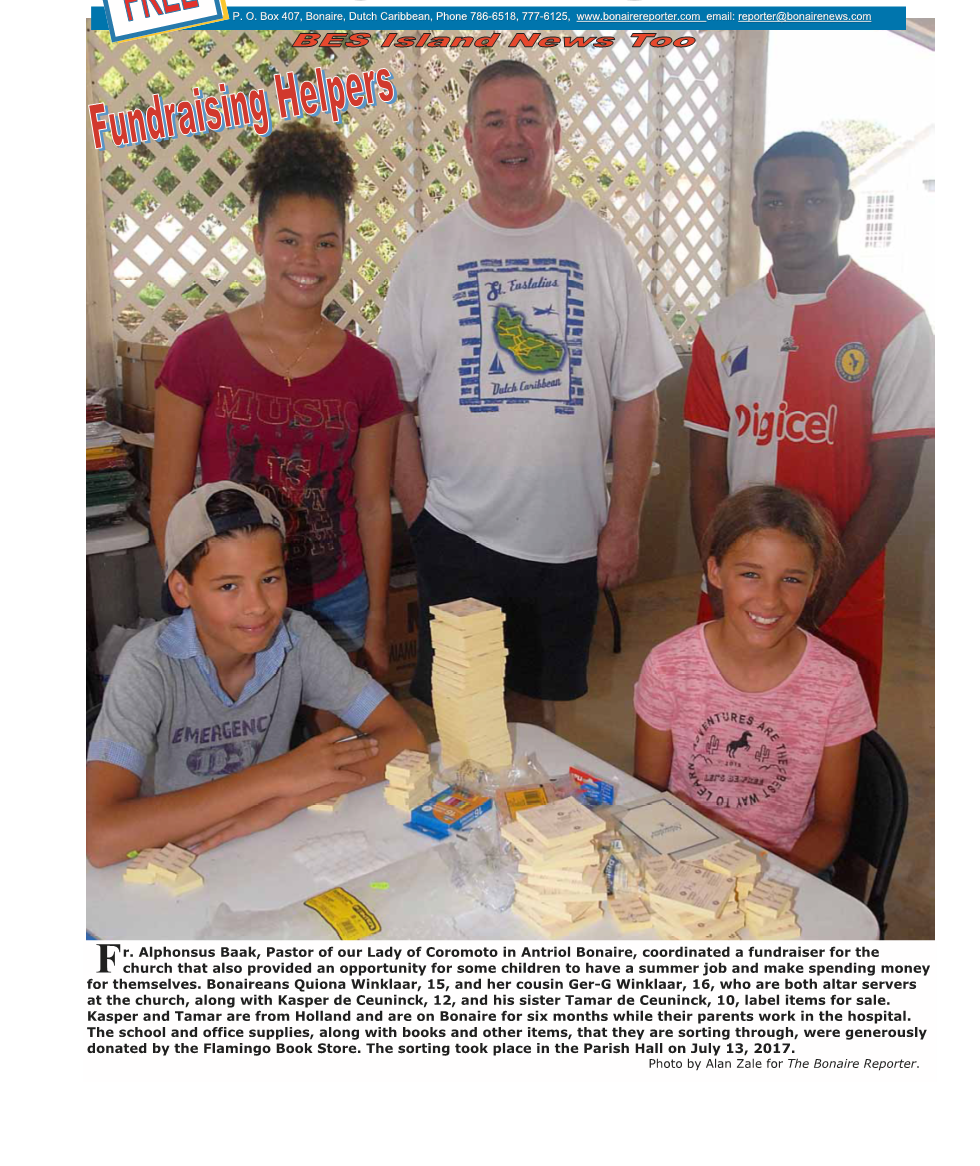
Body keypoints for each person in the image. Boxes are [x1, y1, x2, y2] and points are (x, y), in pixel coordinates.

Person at [379, 60, 678, 726]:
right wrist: (419, 512)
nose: (512, 136)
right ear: (469, 141)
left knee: (534, 714)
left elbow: (639, 397)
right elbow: (390, 400)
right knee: (463, 716)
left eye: (528, 118)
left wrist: (623, 521)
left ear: (555, 134)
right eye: (494, 120)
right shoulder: (432, 256)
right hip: (458, 531)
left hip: (568, 537)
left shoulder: (601, 248)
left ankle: (529, 832)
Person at [684, 131, 934, 715]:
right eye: (775, 201)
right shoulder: (723, 325)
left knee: (828, 749)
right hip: (735, 591)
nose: (792, 219)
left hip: (838, 590)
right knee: (721, 739)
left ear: (845, 204)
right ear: (754, 211)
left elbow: (895, 481)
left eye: (814, 200)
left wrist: (816, 597)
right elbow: (705, 473)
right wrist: (721, 582)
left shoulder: (899, 322)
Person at [152, 121, 401, 680]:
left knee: (342, 761)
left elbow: (370, 508)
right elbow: (167, 499)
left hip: (340, 600)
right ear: (259, 240)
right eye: (289, 239)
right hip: (229, 604)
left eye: (326, 242)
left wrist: (378, 621)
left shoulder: (372, 371)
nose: (307, 259)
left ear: (344, 247)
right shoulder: (198, 353)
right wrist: (196, 600)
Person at [86, 484, 425, 867]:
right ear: (182, 590)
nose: (258, 607)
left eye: (270, 579)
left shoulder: (298, 638)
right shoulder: (148, 666)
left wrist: (285, 800)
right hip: (170, 854)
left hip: (266, 843)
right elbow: (100, 838)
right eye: (228, 586)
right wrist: (276, 777)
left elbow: (407, 740)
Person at [634, 485, 874, 874]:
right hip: (682, 857)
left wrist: (761, 879)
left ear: (814, 583)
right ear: (715, 571)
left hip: (788, 869)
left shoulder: (838, 682)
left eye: (792, 580)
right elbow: (648, 794)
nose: (769, 600)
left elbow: (831, 824)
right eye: (750, 574)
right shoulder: (668, 667)